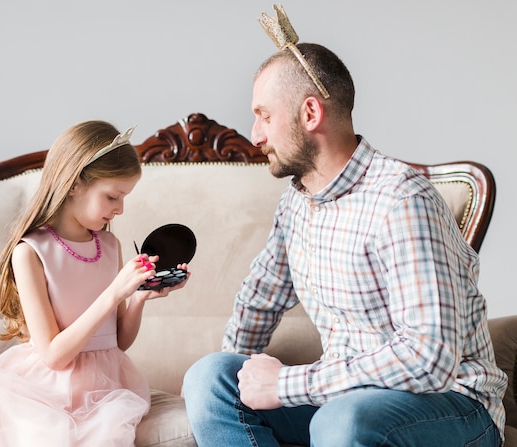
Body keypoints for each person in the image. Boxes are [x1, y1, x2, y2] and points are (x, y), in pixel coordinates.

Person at [182, 6, 507, 447]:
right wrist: (244, 375)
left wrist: (283, 386)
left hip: (451, 406)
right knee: (210, 379)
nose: (255, 133)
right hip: (343, 398)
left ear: (310, 113)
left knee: (342, 422)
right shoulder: (297, 203)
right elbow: (260, 298)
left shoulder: (401, 200)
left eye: (265, 115)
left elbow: (430, 359)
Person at [0, 120, 190, 446]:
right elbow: (55, 356)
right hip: (48, 388)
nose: (121, 209)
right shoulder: (30, 253)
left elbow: (118, 342)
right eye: (113, 196)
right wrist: (113, 293)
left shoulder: (110, 247)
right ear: (74, 185)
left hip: (108, 384)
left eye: (124, 198)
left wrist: (139, 295)